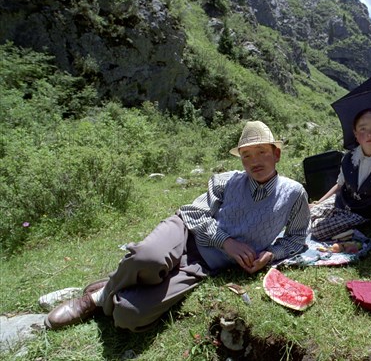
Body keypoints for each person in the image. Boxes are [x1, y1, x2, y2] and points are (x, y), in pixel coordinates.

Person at [44, 121, 310, 332]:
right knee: (145, 257)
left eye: (262, 151)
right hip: (185, 233)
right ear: (240, 159)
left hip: (205, 267)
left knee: (129, 316)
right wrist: (226, 241)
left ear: (276, 154)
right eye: (246, 155)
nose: (255, 160)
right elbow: (193, 213)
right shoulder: (227, 181)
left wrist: (270, 254)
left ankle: (120, 283)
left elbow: (297, 238)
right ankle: (93, 299)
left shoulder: (294, 193)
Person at [310, 108, 371, 240]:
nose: (369, 134)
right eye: (363, 129)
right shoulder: (349, 157)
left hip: (364, 213)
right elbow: (339, 185)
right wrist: (318, 203)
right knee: (309, 213)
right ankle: (339, 225)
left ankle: (354, 230)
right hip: (342, 201)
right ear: (355, 133)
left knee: (318, 230)